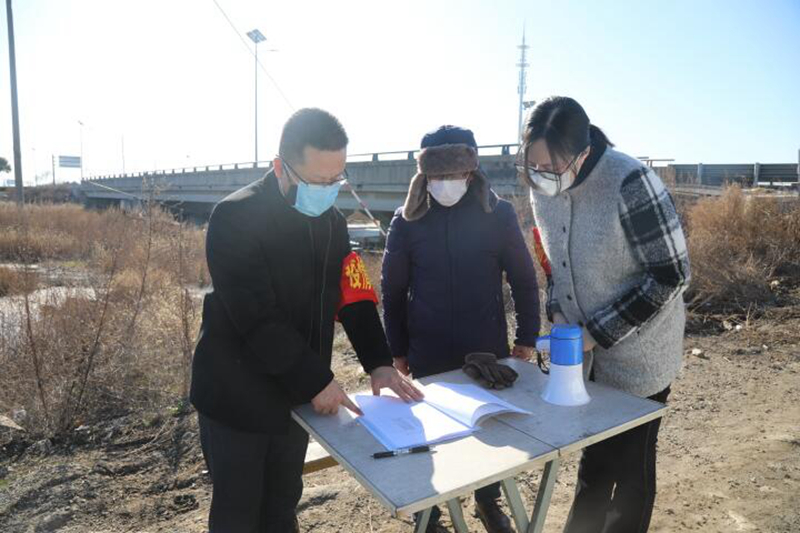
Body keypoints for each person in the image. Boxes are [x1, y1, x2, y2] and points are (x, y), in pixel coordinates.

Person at [190, 108, 422, 533]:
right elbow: (255, 316)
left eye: (337, 180)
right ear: (281, 167)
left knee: (282, 506)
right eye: (318, 181)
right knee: (238, 513)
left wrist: (379, 362)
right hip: (235, 394)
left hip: (294, 397)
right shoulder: (235, 217)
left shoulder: (332, 224)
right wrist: (317, 380)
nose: (328, 191)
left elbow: (354, 297)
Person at [518, 96, 691, 533]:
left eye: (552, 167)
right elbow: (555, 265)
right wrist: (557, 311)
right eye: (533, 165)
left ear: (583, 153)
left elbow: (671, 274)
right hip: (585, 359)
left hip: (641, 358)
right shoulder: (542, 188)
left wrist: (596, 332)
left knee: (631, 468)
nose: (541, 175)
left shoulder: (630, 181)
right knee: (594, 459)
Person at [382, 125, 541, 533]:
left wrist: (526, 337)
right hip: (427, 353)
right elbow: (393, 292)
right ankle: (430, 514)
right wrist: (396, 350)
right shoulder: (406, 221)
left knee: (492, 432)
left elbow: (523, 279)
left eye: (454, 174)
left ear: (471, 172)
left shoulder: (497, 214)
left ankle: (489, 502)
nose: (446, 183)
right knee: (430, 437)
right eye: (437, 176)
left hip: (485, 349)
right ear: (424, 177)